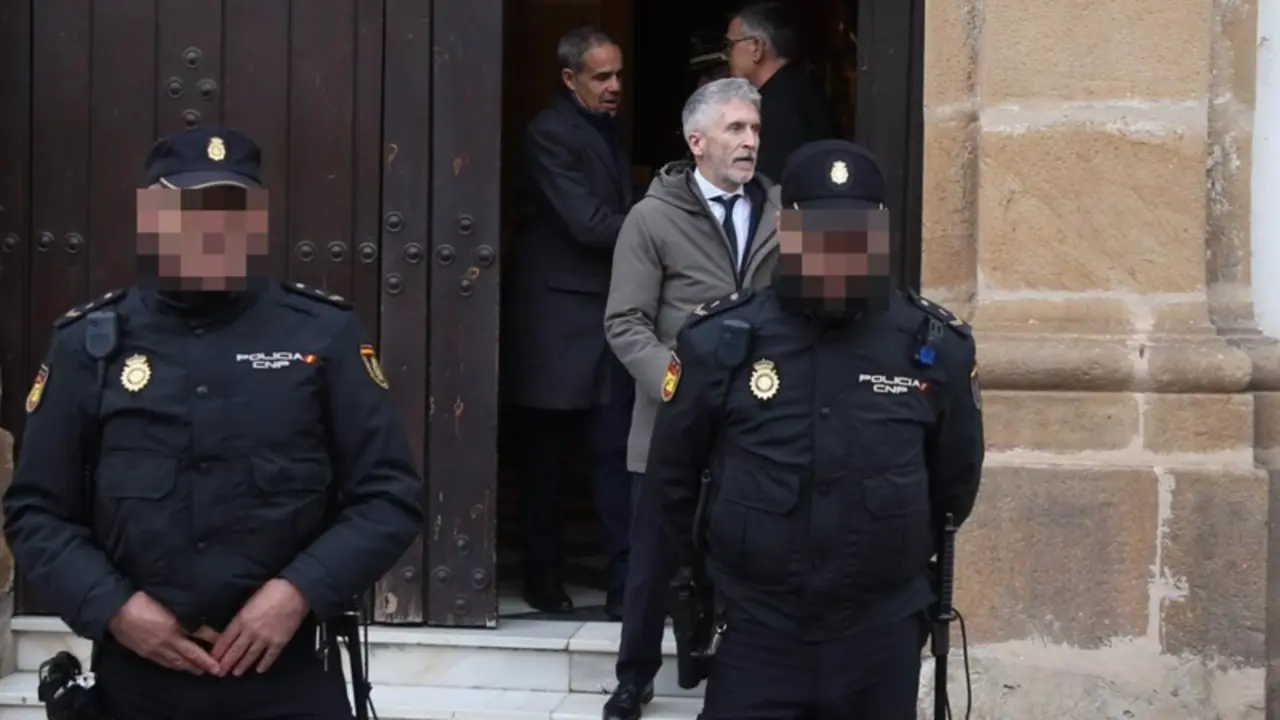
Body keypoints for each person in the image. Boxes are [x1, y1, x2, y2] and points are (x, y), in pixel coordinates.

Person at [3, 125, 424, 719]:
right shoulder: (89, 346)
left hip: (289, 679)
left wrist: (296, 592)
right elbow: (35, 512)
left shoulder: (321, 335)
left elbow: (390, 497)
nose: (212, 227)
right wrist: (117, 608)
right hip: (138, 681)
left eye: (231, 209)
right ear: (152, 216)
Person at [650, 139, 985, 719]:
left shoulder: (931, 348)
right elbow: (673, 480)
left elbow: (954, 483)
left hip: (878, 633)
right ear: (786, 228)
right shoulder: (721, 340)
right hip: (758, 629)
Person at [601, 77, 780, 720]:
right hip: (671, 420)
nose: (750, 141)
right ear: (696, 140)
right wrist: (676, 385)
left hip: (758, 422)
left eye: (755, 130)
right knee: (655, 555)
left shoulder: (781, 212)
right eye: (736, 129)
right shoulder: (652, 218)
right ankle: (634, 676)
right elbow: (624, 323)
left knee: (745, 550)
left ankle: (729, 668)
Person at [504, 25, 634, 618]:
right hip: (556, 321)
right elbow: (585, 223)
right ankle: (541, 578)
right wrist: (661, 223)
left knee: (614, 451)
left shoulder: (604, 129)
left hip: (604, 318)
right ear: (569, 79)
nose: (614, 87)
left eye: (618, 75)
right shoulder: (549, 133)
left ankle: (625, 585)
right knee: (546, 461)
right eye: (601, 77)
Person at [725, 2, 842, 182]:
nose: (726, 55)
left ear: (756, 47)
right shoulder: (801, 87)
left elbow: (773, 187)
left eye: (731, 45)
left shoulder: (777, 107)